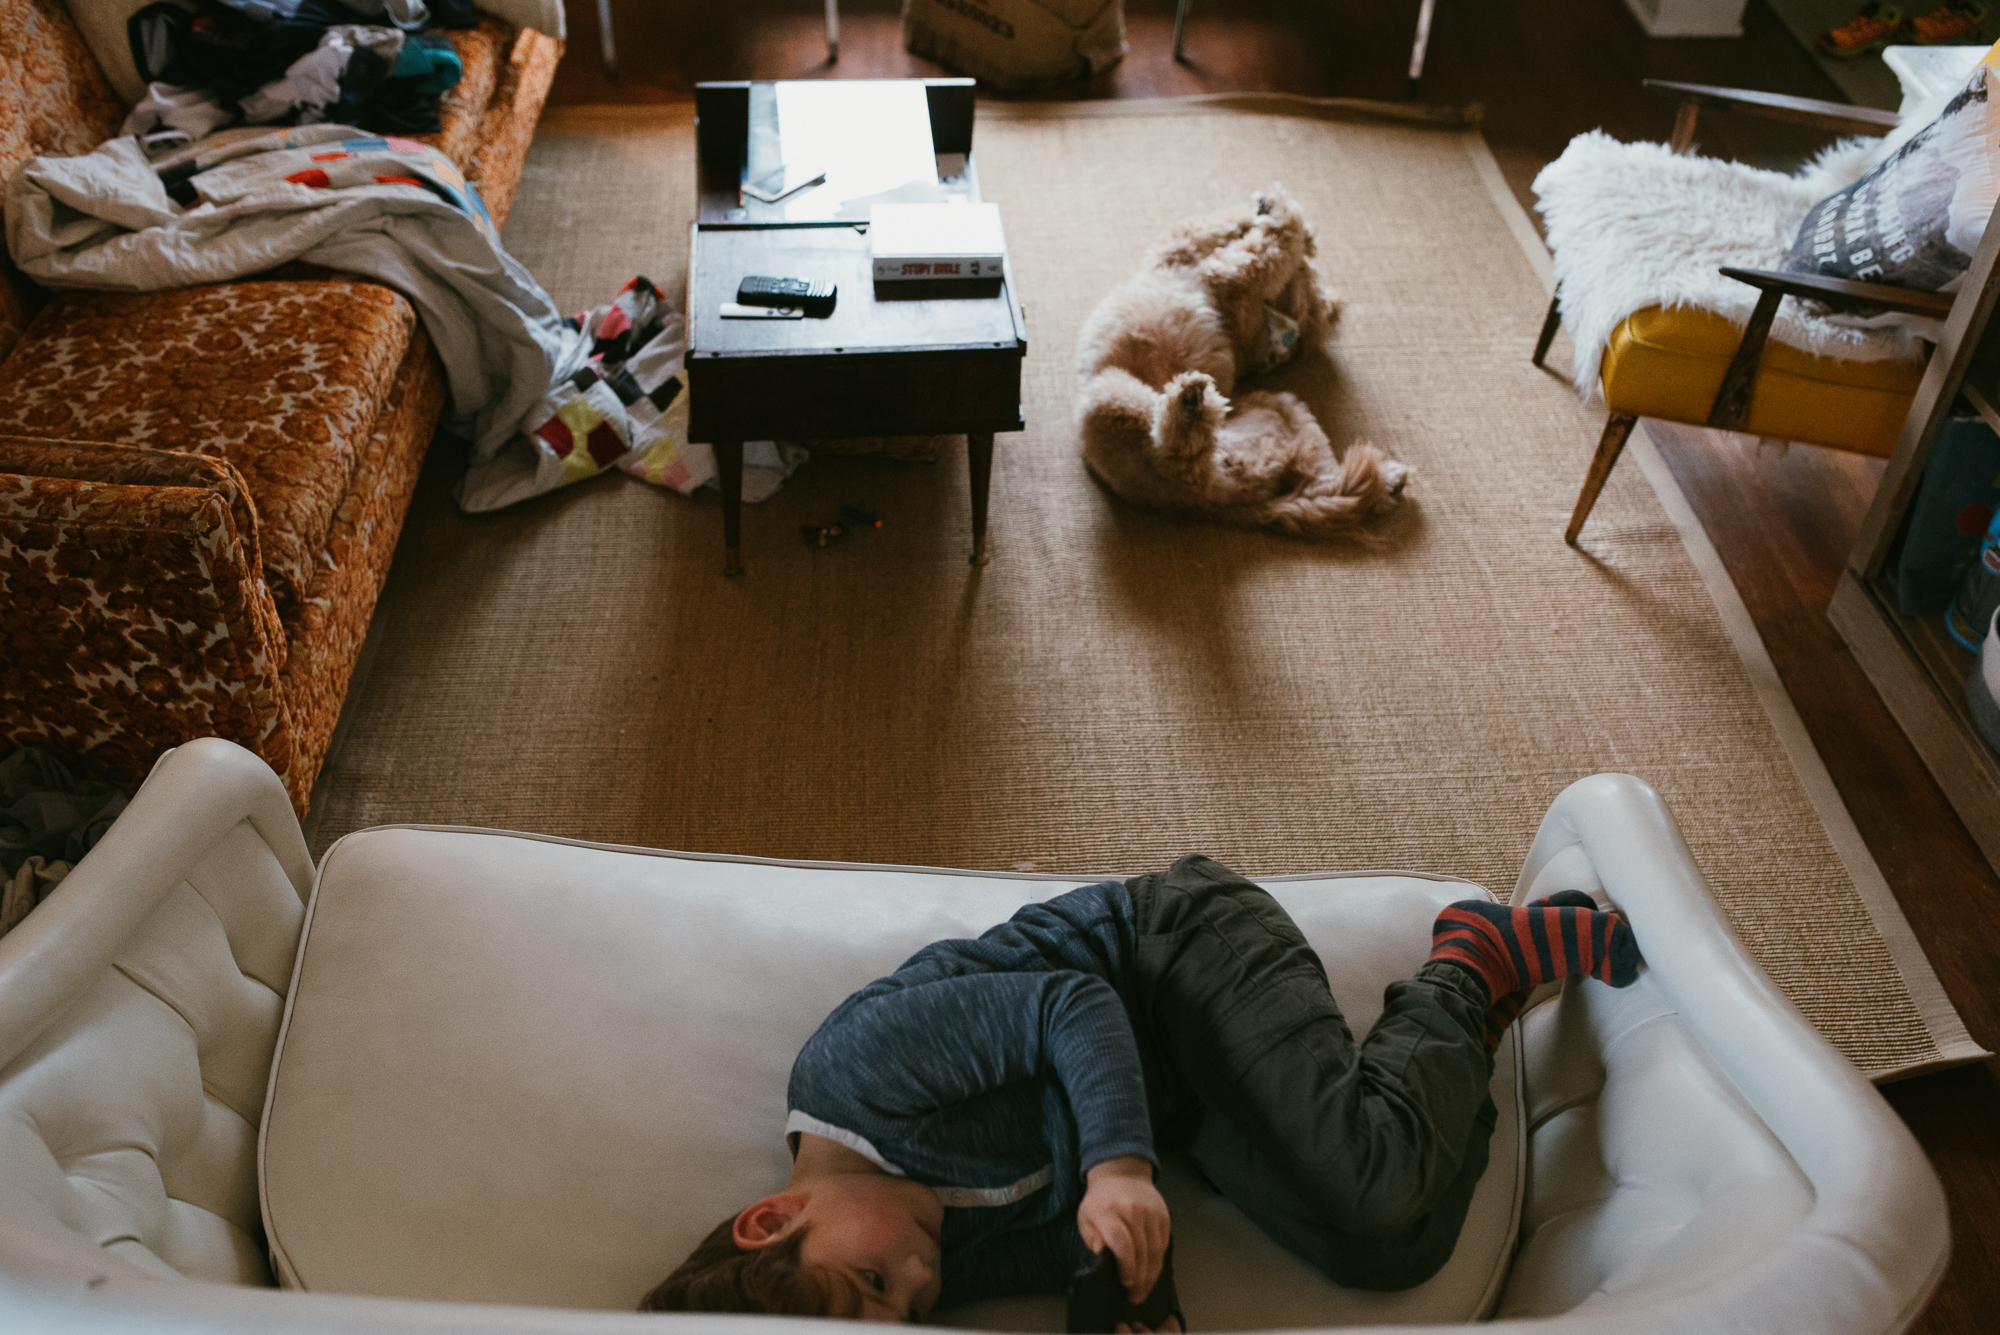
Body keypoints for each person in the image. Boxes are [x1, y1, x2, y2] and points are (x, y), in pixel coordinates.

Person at [640, 855, 1640, 1326]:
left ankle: (1467, 964)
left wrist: (1117, 1171)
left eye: (870, 1284)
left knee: (1367, 1177)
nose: (917, 1288)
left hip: (1172, 958)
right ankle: (1469, 1015)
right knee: (1385, 1247)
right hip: (1174, 1098)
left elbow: (1071, 1008)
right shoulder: (922, 1257)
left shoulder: (857, 1071)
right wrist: (1124, 1301)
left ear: (771, 1218)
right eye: (901, 1312)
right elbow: (1066, 1244)